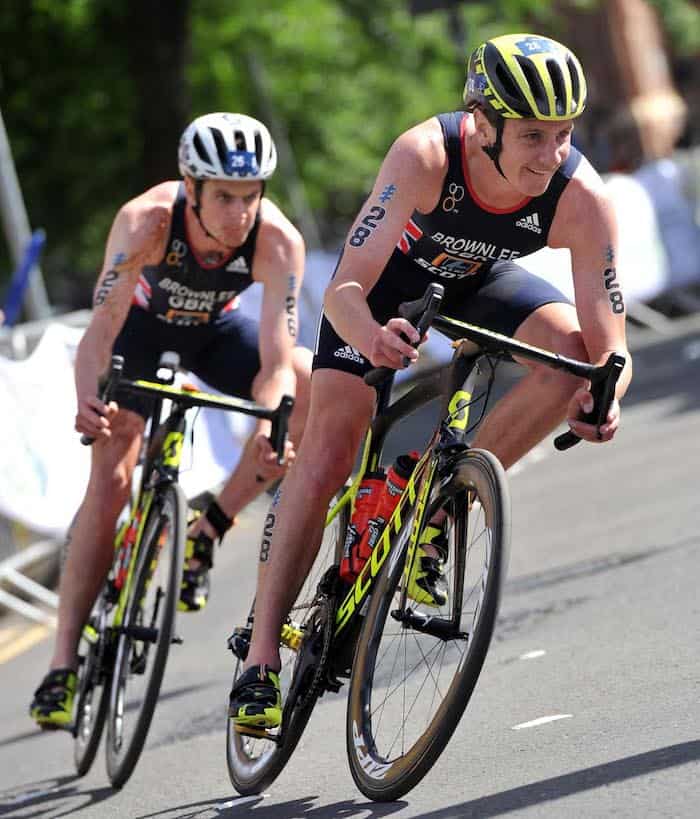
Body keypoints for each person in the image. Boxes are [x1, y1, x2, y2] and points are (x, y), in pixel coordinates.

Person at [228, 33, 633, 731]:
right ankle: (260, 658)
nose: (551, 154)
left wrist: (605, 396)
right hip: (383, 293)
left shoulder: (581, 196)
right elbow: (344, 289)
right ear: (483, 124)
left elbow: (610, 344)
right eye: (532, 135)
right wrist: (371, 338)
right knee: (328, 451)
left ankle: (437, 508)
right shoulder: (425, 156)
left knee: (573, 361)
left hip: (480, 282)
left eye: (563, 133)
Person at [29, 112, 312, 728]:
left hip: (214, 331)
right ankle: (61, 665)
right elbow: (100, 330)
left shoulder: (277, 240)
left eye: (250, 196)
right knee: (111, 478)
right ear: (191, 188)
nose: (239, 213)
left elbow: (276, 358)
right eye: (224, 198)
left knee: (304, 381)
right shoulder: (147, 221)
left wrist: (273, 420)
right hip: (139, 331)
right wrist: (87, 397)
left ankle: (209, 527)